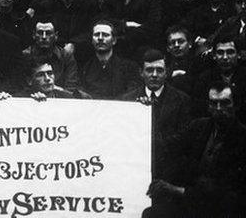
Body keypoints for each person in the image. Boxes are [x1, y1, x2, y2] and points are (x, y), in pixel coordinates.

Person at [144, 83, 246, 218]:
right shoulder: (199, 127)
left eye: (225, 103)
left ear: (236, 105)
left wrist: (176, 190)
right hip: (191, 205)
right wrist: (147, 113)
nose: (219, 109)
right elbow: (166, 147)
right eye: (213, 103)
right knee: (151, 213)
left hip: (223, 209)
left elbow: (230, 193)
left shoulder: (242, 138)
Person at [121, 49, 192, 176]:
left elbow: (183, 138)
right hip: (134, 167)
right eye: (149, 70)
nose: (154, 74)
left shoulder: (182, 100)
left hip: (169, 170)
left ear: (167, 73)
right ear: (141, 72)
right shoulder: (128, 100)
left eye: (159, 70)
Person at [79, 20, 141, 99]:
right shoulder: (84, 68)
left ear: (114, 40)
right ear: (92, 40)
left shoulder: (129, 68)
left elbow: (132, 94)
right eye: (97, 35)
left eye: (105, 35)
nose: (100, 38)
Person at [23, 18, 80, 92]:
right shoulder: (25, 55)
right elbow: (21, 87)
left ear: (56, 36)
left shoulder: (66, 56)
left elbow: (71, 87)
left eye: (48, 33)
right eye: (40, 32)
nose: (44, 37)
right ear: (34, 35)